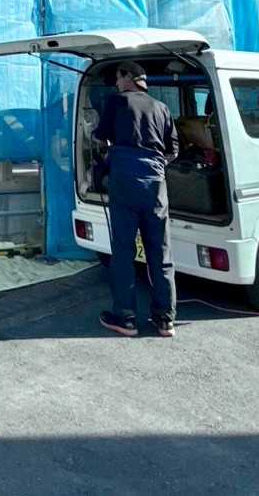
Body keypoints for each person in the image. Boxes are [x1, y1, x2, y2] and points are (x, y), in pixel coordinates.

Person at [93, 61, 178, 337]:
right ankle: (165, 319)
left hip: (125, 182)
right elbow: (173, 149)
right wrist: (154, 166)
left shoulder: (117, 102)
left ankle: (125, 317)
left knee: (123, 250)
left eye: (118, 78)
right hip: (156, 185)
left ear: (128, 76)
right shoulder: (162, 108)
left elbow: (99, 137)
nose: (117, 83)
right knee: (160, 250)